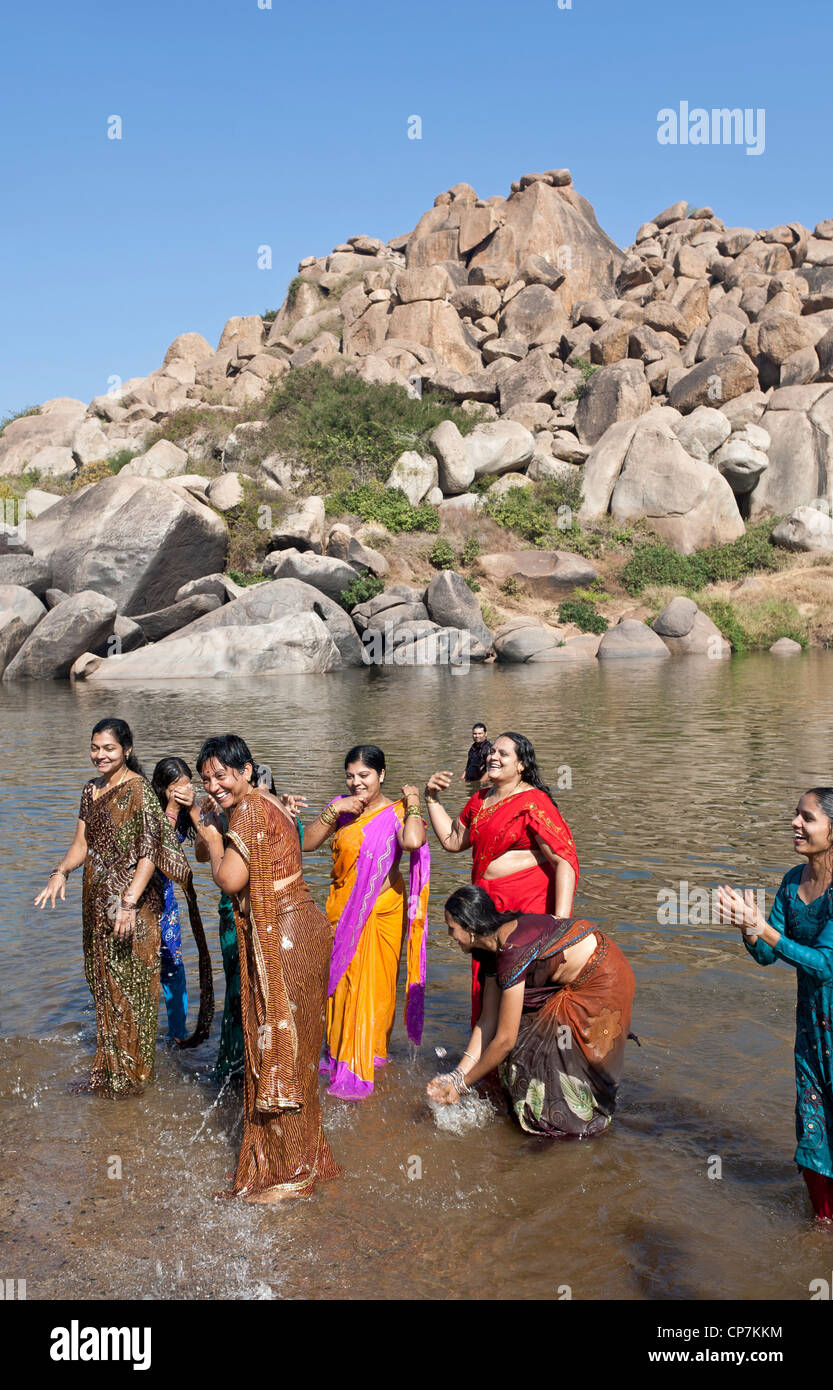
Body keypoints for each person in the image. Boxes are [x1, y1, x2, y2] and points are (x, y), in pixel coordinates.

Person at [196, 734, 340, 1201]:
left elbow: (230, 877)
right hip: (295, 927)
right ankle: (303, 1160)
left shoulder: (251, 811)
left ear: (246, 771)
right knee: (292, 1054)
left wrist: (213, 838)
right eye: (207, 779)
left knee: (280, 1054)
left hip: (284, 936)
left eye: (221, 775)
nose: (214, 785)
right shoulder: (266, 801)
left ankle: (292, 1178)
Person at [34, 718, 213, 1096]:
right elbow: (81, 844)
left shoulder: (139, 792)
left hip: (132, 906)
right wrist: (61, 871)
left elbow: (150, 853)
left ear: (127, 750)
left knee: (131, 989)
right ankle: (110, 1069)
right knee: (103, 984)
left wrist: (129, 902)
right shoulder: (90, 790)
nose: (100, 755)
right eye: (95, 747)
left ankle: (134, 1078)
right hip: (95, 902)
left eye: (109, 748)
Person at [427, 886, 635, 1138]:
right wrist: (457, 1074)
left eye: (452, 928)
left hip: (602, 976)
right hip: (573, 974)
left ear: (470, 929)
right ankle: (543, 1118)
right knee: (528, 1035)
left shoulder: (512, 951)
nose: (450, 935)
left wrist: (461, 1087)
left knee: (544, 1043)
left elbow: (504, 1041)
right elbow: (487, 1021)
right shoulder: (491, 947)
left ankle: (576, 1128)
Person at [718, 787, 833, 1224]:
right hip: (810, 1032)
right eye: (795, 815)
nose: (795, 823)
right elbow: (770, 954)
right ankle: (822, 1230)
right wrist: (749, 930)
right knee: (812, 1134)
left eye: (807, 817)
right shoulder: (791, 883)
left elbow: (824, 964)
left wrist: (764, 930)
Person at [303, 744, 430, 1101]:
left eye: (364, 776)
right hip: (342, 910)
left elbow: (414, 840)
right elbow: (307, 844)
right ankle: (341, 1052)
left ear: (381, 775)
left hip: (381, 911)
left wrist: (415, 800)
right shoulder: (342, 808)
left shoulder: (399, 810)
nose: (356, 783)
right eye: (351, 776)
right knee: (342, 983)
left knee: (376, 986)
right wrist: (332, 810)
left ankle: (368, 1056)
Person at [425, 731, 579, 1023]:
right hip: (487, 909)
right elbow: (453, 839)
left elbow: (565, 860)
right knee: (488, 980)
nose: (493, 757)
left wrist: (558, 926)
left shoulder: (533, 802)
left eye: (503, 754)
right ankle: (485, 1061)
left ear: (521, 765)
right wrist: (431, 798)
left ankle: (519, 1056)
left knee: (522, 981)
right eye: (492, 751)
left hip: (526, 906)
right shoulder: (481, 799)